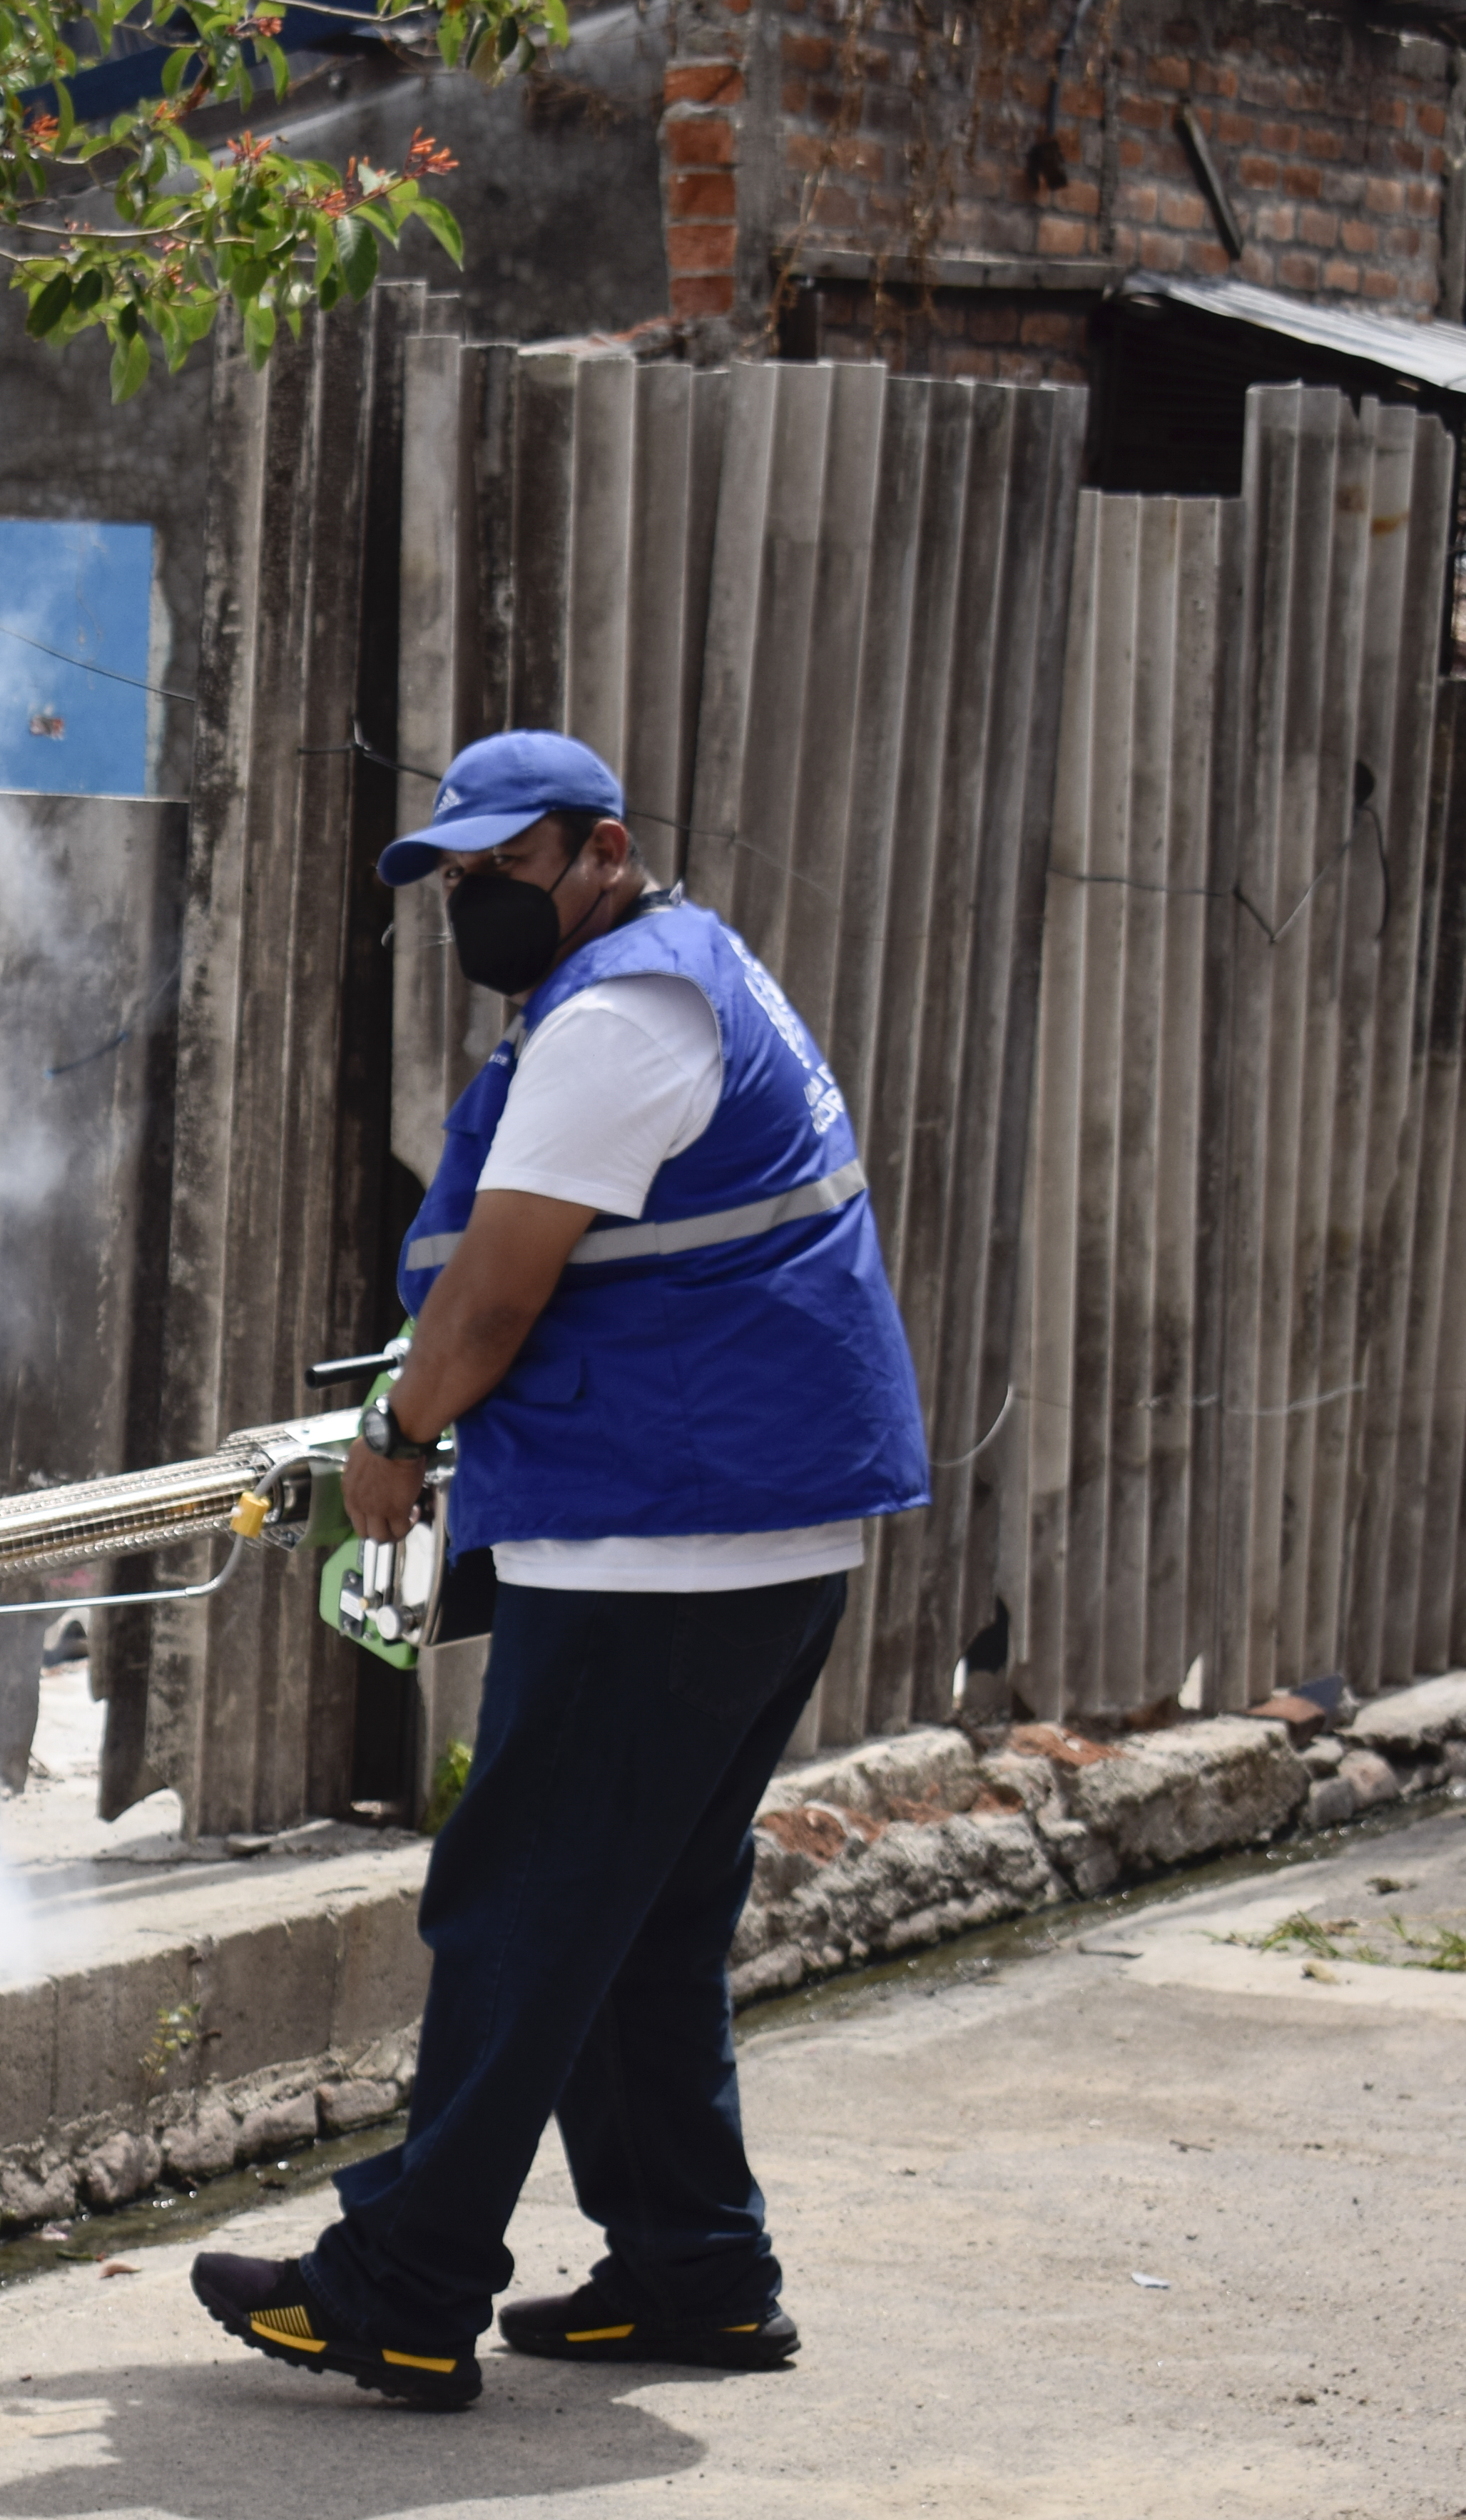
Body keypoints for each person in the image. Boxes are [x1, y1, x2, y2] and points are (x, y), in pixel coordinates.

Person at [190, 729, 930, 2412]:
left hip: (668, 1538)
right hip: (750, 1524)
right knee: (644, 1917)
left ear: (599, 850)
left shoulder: (612, 1025)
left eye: (506, 869)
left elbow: (500, 1300)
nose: (476, 903)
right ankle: (697, 2270)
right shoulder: (692, 969)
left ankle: (403, 2281)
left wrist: (391, 1429)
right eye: (455, 878)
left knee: (520, 1909)